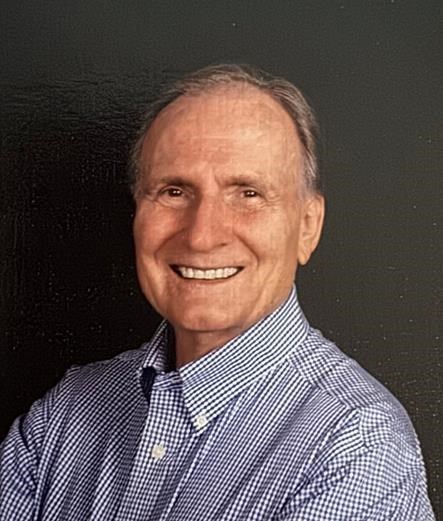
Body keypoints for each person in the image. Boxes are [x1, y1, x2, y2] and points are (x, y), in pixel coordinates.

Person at [0, 64, 435, 520]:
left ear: (308, 227)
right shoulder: (66, 411)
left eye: (248, 193)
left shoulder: (355, 445)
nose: (202, 236)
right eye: (173, 191)